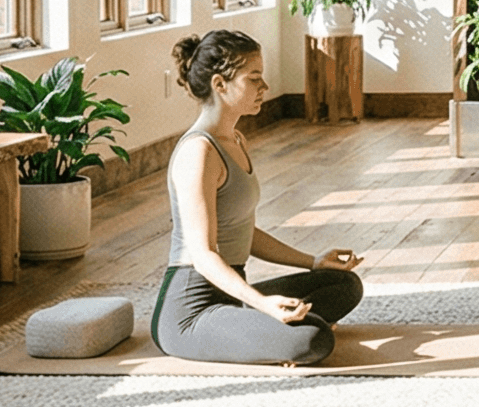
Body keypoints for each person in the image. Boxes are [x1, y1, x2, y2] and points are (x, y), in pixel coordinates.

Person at [151, 29, 364, 366]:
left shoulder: (234, 139)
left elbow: (243, 232)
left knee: (343, 284)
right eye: (254, 78)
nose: (264, 87)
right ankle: (261, 330)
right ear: (220, 84)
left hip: (231, 297)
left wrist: (312, 261)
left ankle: (252, 327)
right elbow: (203, 255)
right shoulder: (198, 152)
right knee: (313, 338)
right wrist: (264, 304)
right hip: (190, 313)